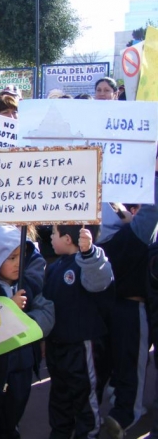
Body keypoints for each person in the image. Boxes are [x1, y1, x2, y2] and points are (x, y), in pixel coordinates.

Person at [0, 225, 54, 439]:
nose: (18, 264)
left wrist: (27, 324)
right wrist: (9, 309)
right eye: (11, 258)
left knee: (13, 415)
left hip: (21, 368)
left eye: (21, 256)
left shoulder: (27, 284)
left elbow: (47, 312)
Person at [97, 175, 158, 438]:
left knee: (108, 365)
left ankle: (107, 412)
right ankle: (124, 416)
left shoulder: (93, 247)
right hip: (133, 312)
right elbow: (153, 210)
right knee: (132, 367)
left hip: (104, 310)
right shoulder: (134, 236)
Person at [44, 225, 114, 439]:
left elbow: (100, 280)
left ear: (67, 239)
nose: (50, 237)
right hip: (58, 346)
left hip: (81, 346)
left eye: (54, 234)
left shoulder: (87, 262)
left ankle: (89, 434)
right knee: (59, 397)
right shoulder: (54, 268)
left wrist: (89, 252)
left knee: (85, 396)